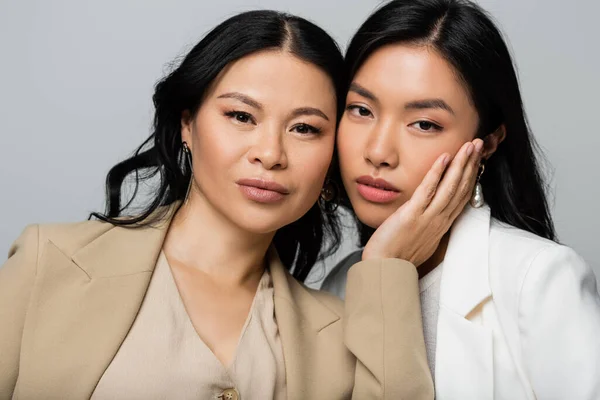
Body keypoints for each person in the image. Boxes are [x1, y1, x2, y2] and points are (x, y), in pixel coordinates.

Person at [0, 9, 481, 400]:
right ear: (187, 124)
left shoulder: (337, 335)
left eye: (305, 128)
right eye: (241, 116)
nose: (270, 154)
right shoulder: (51, 262)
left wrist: (387, 265)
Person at [321, 0, 600, 399]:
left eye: (424, 123)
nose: (379, 151)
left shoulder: (538, 281)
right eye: (361, 109)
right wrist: (383, 272)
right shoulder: (343, 283)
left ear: (487, 142)